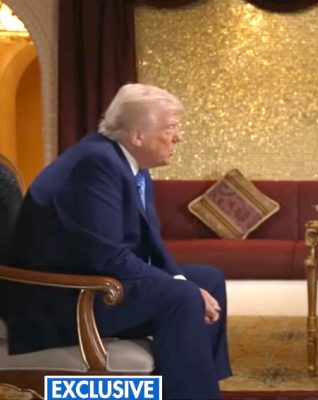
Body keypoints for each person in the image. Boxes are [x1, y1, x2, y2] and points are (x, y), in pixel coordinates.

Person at [5, 83, 232, 399]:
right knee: (183, 296)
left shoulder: (127, 162)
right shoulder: (94, 165)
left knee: (208, 279)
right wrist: (183, 289)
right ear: (138, 136)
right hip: (64, 297)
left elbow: (150, 243)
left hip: (96, 281)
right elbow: (108, 256)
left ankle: (196, 386)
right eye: (170, 128)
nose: (178, 137)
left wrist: (181, 279)